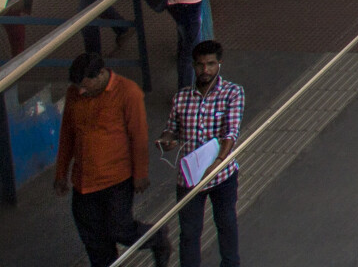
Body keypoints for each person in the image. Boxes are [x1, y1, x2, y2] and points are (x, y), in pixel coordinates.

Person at [59, 51, 162, 267]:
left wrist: (141, 173)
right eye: (78, 86)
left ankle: (156, 238)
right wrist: (61, 174)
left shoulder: (128, 92)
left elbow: (139, 135)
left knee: (120, 229)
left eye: (85, 86)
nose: (80, 91)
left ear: (100, 75)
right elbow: (67, 135)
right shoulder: (74, 94)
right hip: (83, 183)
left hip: (116, 180)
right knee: (94, 240)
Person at [161, 38, 244, 267]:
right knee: (188, 232)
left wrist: (218, 161)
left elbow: (231, 133)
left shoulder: (232, 93)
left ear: (220, 64)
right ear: (193, 65)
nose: (204, 70)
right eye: (199, 65)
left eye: (210, 64)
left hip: (222, 175)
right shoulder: (181, 98)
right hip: (189, 178)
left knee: (226, 224)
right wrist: (166, 141)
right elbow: (172, 130)